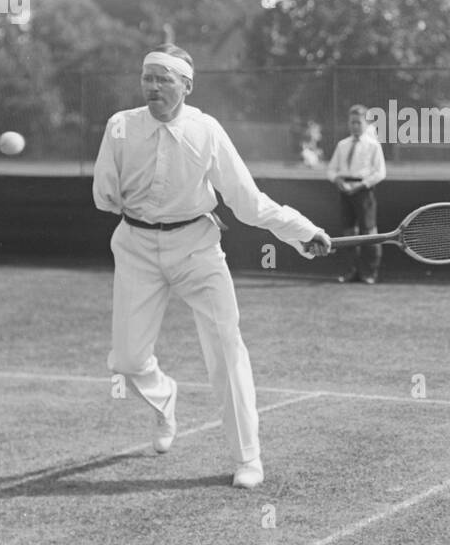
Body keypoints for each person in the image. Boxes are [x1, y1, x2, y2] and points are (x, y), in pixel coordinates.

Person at [92, 44, 332, 489]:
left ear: (186, 85)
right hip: (135, 248)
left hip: (197, 250)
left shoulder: (207, 130)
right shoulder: (120, 127)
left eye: (164, 78)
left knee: (226, 348)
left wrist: (302, 232)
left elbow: (248, 202)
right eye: (148, 77)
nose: (153, 86)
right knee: (126, 360)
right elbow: (104, 196)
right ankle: (166, 402)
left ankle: (248, 459)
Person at [326, 103, 387, 285]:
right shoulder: (342, 145)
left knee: (369, 232)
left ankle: (369, 273)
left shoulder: (373, 146)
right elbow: (331, 170)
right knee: (348, 233)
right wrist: (338, 181)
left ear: (366, 123)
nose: (355, 126)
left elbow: (380, 172)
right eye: (352, 122)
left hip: (363, 192)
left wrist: (361, 185)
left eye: (358, 122)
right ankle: (351, 272)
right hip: (345, 191)